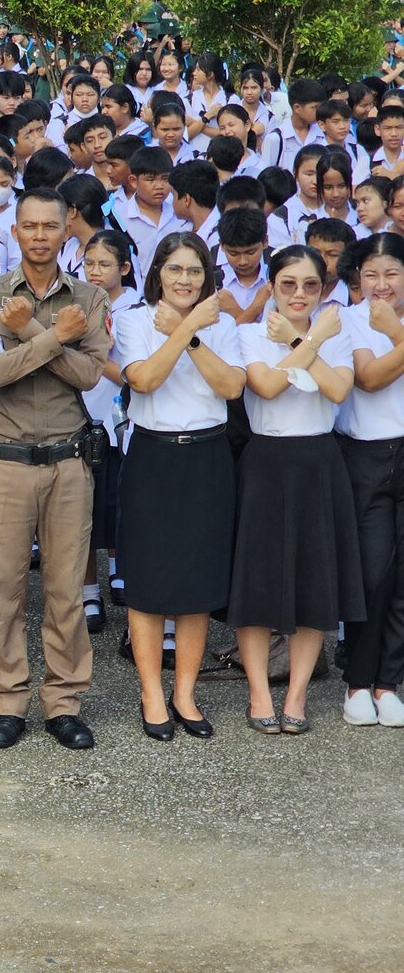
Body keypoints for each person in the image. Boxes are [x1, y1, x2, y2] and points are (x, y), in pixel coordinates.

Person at [0, 186, 112, 751]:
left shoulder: (90, 298)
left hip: (69, 461)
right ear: (15, 231)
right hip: (6, 462)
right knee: (3, 589)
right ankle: (7, 702)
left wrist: (28, 331)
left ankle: (64, 702)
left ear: (66, 228)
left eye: (51, 226)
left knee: (66, 590)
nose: (41, 236)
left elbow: (88, 376)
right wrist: (54, 337)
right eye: (30, 226)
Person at [115, 232, 245, 741]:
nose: (185, 279)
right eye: (175, 269)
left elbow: (230, 387)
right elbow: (144, 380)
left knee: (197, 582)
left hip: (208, 456)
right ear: (157, 273)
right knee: (148, 581)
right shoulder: (134, 319)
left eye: (195, 270)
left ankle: (185, 693)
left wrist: (190, 334)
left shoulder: (225, 325)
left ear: (206, 276)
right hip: (153, 455)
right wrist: (186, 327)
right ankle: (151, 692)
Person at [233, 245, 364, 734]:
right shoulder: (249, 334)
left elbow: (337, 390)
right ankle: (258, 693)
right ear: (270, 286)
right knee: (257, 580)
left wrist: (299, 340)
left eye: (311, 285)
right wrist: (306, 341)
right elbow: (266, 387)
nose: (299, 294)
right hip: (265, 459)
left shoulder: (337, 333)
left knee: (314, 582)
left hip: (318, 460)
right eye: (287, 284)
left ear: (323, 289)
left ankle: (297, 695)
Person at [338, 233, 404, 727]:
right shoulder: (349, 320)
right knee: (373, 572)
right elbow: (369, 378)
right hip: (367, 455)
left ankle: (389, 684)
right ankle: (358, 682)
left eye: (393, 273)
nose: (382, 284)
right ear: (357, 279)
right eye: (372, 274)